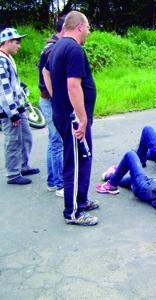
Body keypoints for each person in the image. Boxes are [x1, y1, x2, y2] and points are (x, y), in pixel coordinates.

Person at [42, 11, 99, 226]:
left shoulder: (56, 47)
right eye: (88, 28)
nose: (89, 32)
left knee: (83, 158)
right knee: (74, 162)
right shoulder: (74, 48)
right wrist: (82, 118)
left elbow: (46, 73)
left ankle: (81, 201)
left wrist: (57, 98)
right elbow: (73, 85)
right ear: (79, 27)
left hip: (66, 113)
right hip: (73, 117)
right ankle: (73, 212)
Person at [0, 28, 40, 185]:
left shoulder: (8, 57)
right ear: (7, 42)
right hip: (9, 111)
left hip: (17, 106)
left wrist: (21, 107)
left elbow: (13, 84)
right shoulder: (1, 61)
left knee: (26, 137)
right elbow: (3, 90)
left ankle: (23, 165)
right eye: (17, 42)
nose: (19, 46)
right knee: (13, 141)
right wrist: (13, 113)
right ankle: (13, 174)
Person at [38, 16, 65, 197]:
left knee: (53, 141)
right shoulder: (53, 49)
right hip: (50, 100)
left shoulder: (51, 46)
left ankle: (52, 180)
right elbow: (50, 76)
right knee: (57, 141)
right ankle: (59, 184)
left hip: (47, 99)